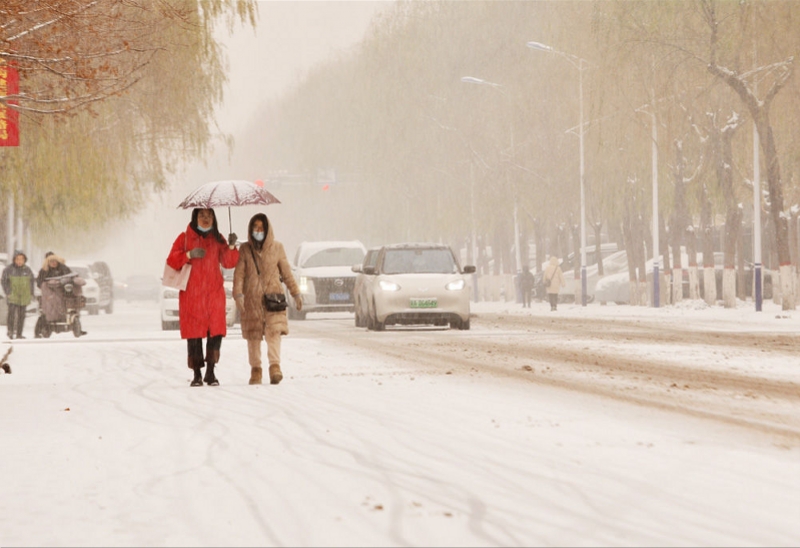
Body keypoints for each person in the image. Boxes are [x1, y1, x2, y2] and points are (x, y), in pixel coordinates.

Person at [166, 208, 239, 387]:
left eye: (209, 216)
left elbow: (228, 262)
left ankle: (211, 372)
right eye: (202, 216)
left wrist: (230, 246)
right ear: (195, 217)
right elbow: (172, 260)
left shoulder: (218, 238)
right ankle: (197, 373)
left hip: (214, 294)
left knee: (216, 333)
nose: (206, 219)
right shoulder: (184, 238)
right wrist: (189, 254)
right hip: (193, 295)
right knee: (195, 335)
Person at [233, 213, 302, 386]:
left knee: (274, 333)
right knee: (253, 336)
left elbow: (286, 273)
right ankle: (255, 370)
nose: (258, 231)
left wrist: (296, 293)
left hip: (273, 300)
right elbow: (239, 275)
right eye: (255, 227)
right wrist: (238, 294)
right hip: (252, 301)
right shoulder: (245, 250)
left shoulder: (277, 248)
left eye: (261, 227)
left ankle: (275, 367)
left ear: (267, 229)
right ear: (251, 229)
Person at [35, 252, 86, 337]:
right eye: (51, 261)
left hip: (64, 292)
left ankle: (76, 326)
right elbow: (40, 283)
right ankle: (41, 330)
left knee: (70, 304)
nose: (53, 263)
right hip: (50, 294)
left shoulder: (64, 268)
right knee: (48, 309)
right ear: (47, 262)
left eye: (55, 261)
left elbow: (70, 277)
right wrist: (48, 285)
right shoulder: (44, 271)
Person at [2, 250, 35, 339]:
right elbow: (4, 282)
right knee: (11, 314)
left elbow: (31, 282)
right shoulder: (8, 270)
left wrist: (31, 293)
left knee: (21, 315)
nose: (19, 261)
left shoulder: (27, 270)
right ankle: (10, 331)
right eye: (17, 259)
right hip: (12, 295)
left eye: (21, 259)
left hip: (24, 296)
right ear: (14, 260)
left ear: (24, 260)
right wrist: (8, 292)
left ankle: (19, 333)